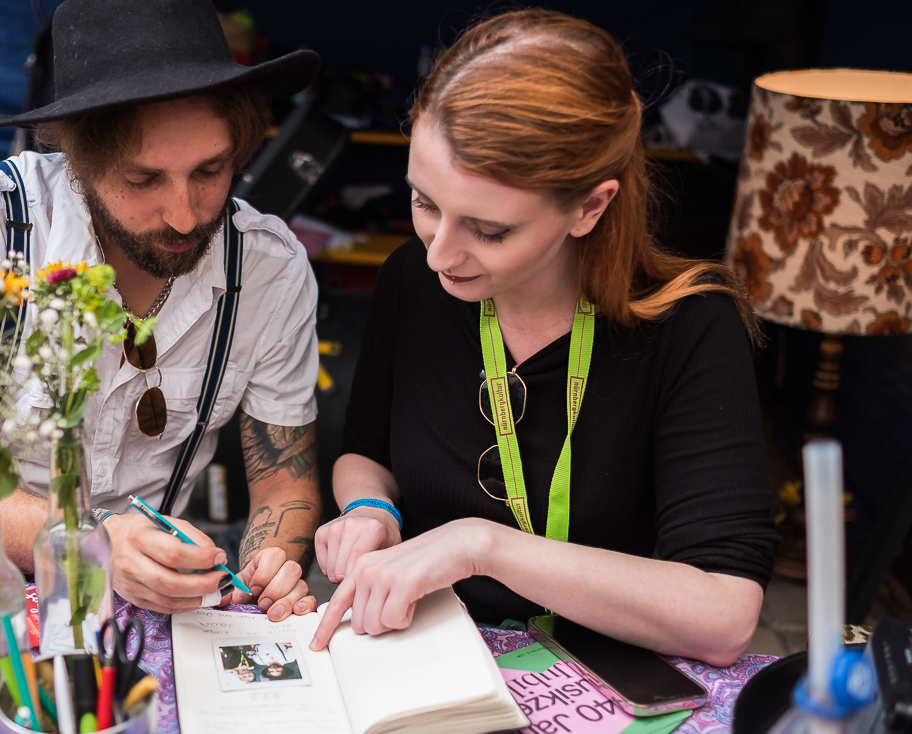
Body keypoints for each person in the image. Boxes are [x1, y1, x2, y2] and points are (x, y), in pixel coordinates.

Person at [310, 9, 778, 667]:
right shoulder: (411, 282)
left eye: (490, 231)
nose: (441, 252)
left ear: (589, 207)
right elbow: (366, 451)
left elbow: (724, 617)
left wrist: (482, 545)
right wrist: (368, 510)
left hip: (613, 686)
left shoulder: (690, 326)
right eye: (424, 203)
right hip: (429, 664)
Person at [0, 0, 323, 622]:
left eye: (210, 172)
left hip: (138, 585)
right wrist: (93, 540)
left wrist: (270, 567)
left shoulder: (269, 266)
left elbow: (282, 481)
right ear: (78, 160)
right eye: (143, 180)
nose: (184, 215)